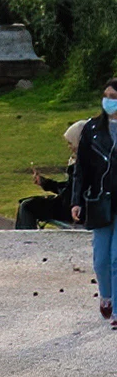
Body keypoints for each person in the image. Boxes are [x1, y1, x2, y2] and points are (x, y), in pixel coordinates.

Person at [68, 80, 117, 326]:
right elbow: (81, 169)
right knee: (101, 258)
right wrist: (76, 201)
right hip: (100, 200)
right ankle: (106, 297)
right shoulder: (92, 129)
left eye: (114, 96)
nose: (109, 100)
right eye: (106, 95)